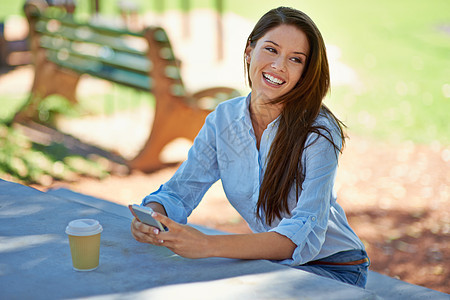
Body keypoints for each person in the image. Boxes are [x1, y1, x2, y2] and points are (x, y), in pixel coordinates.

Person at [131, 6, 370, 288]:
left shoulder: (318, 131)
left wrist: (207, 245)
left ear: (305, 73)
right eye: (271, 50)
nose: (279, 66)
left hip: (334, 267)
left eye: (295, 59)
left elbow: (299, 236)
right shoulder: (223, 120)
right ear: (249, 51)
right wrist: (154, 216)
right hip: (274, 266)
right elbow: (179, 192)